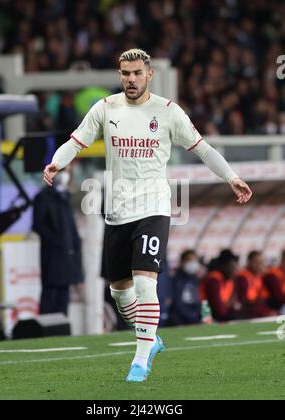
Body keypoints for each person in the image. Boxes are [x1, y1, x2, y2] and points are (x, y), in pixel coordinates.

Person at [43, 49, 252, 382]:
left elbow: (203, 148)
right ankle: (151, 340)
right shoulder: (105, 108)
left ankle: (139, 362)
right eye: (125, 73)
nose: (131, 79)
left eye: (137, 73)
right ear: (119, 75)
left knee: (144, 282)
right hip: (117, 213)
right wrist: (57, 161)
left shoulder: (168, 112)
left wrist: (231, 177)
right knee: (120, 293)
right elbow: (76, 141)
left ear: (149, 75)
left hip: (154, 208)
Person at [33, 167, 84, 316]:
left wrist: (78, 271)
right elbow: (38, 225)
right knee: (50, 296)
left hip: (67, 259)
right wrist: (57, 242)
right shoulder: (43, 197)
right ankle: (45, 333)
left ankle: (61, 330)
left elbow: (72, 232)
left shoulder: (65, 197)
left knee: (63, 298)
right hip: (52, 258)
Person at [201, 250, 241, 322]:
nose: (235, 271)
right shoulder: (214, 280)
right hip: (206, 317)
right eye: (232, 267)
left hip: (222, 316)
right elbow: (219, 310)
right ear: (224, 266)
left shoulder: (230, 280)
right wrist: (229, 305)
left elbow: (235, 304)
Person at [236, 251, 273, 318]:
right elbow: (243, 301)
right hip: (246, 312)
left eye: (261, 262)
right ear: (249, 262)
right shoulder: (243, 277)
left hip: (256, 310)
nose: (259, 265)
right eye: (256, 262)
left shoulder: (259, 277)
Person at [170, 250, 202, 326]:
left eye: (195, 260)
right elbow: (178, 305)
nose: (193, 263)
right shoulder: (177, 280)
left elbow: (197, 301)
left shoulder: (194, 279)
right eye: (189, 260)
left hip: (194, 320)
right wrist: (193, 318)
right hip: (180, 322)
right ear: (182, 262)